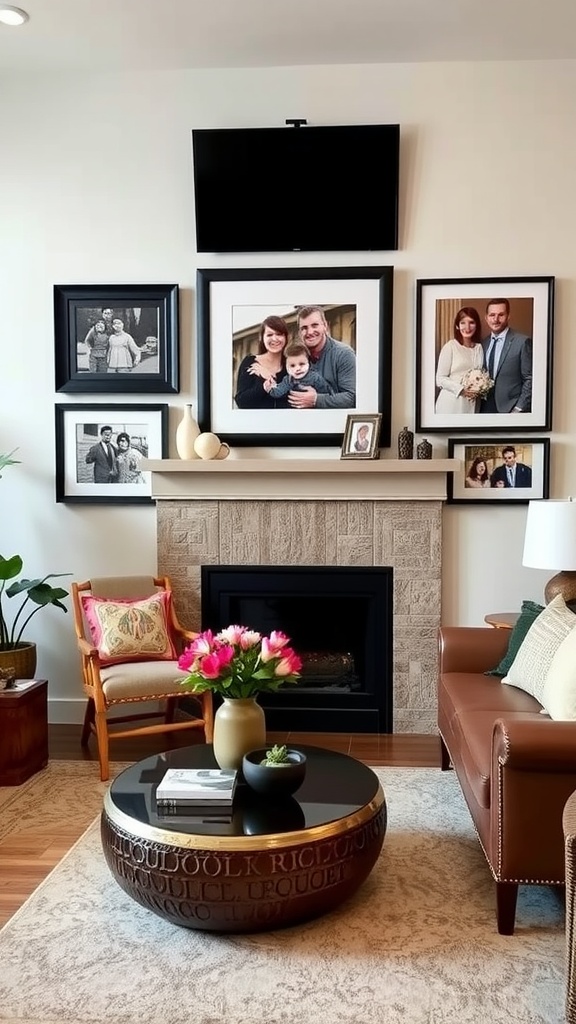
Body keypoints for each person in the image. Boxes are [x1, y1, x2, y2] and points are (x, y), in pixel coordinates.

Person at [287, 306, 356, 409]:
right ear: (299, 332)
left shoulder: (344, 354)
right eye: (304, 328)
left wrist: (316, 400)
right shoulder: (295, 355)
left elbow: (351, 398)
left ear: (325, 326)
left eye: (315, 325)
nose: (309, 332)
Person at [480, 298, 532, 413]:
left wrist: (519, 408)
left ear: (508, 316)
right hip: (484, 409)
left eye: (501, 315)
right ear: (486, 318)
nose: (496, 319)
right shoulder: (483, 344)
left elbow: (529, 379)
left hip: (511, 409)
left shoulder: (522, 342)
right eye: (492, 315)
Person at [435, 307, 484, 414]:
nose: (467, 327)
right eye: (463, 323)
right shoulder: (450, 346)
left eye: (471, 322)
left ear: (477, 325)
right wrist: (461, 390)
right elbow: (440, 378)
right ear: (457, 326)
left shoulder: (479, 348)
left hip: (473, 403)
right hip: (452, 402)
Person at [234, 315, 290, 409]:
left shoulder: (291, 365)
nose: (274, 339)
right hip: (256, 422)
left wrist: (269, 377)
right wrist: (263, 386)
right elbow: (241, 401)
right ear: (262, 338)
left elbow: (293, 399)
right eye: (269, 335)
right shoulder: (250, 363)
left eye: (279, 334)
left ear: (286, 337)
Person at [263, 341, 331, 400]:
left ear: (309, 363)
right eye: (292, 366)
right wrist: (269, 389)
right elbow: (278, 393)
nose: (297, 369)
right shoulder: (288, 380)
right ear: (286, 366)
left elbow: (328, 394)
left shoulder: (315, 378)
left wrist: (317, 398)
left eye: (302, 364)